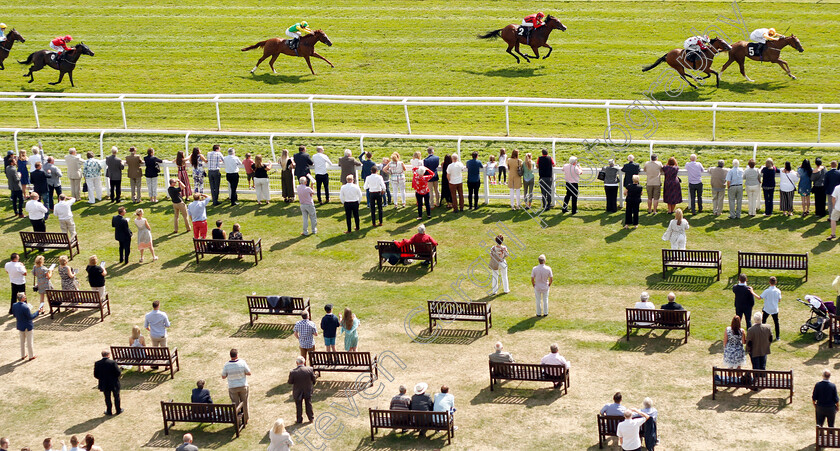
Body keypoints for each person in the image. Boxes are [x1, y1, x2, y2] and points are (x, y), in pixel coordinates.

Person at [221, 348, 251, 424]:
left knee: (235, 404)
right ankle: (245, 419)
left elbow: (223, 376)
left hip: (232, 387)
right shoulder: (242, 362)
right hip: (243, 386)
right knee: (244, 403)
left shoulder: (227, 365)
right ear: (237, 355)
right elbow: (249, 373)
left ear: (230, 355)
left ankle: (237, 419)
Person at [288, 355, 317, 424]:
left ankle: (299, 420)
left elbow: (290, 382)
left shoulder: (293, 372)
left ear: (296, 363)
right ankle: (311, 418)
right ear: (304, 362)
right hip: (307, 390)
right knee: (308, 404)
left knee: (298, 406)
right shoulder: (310, 369)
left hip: (297, 391)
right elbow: (314, 379)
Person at [12, 293, 42, 360]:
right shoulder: (25, 307)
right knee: (29, 342)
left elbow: (14, 314)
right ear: (22, 298)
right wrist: (37, 312)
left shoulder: (14, 305)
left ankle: (23, 355)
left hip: (20, 325)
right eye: (24, 296)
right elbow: (31, 317)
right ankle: (31, 356)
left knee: (22, 341)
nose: (25, 297)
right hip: (27, 326)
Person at [93, 349, 123, 415]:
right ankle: (118, 410)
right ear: (108, 355)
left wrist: (102, 378)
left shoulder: (97, 363)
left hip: (104, 383)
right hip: (114, 383)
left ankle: (109, 411)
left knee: (107, 397)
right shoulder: (113, 362)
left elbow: (96, 374)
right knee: (116, 396)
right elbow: (118, 372)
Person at [144, 300, 171, 371]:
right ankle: (166, 365)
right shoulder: (163, 314)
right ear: (158, 306)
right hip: (162, 335)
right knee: (164, 349)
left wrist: (151, 330)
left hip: (153, 335)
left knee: (155, 349)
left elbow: (146, 326)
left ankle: (155, 364)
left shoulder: (148, 315)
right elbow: (168, 325)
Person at [758, 276, 782, 340]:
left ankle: (762, 335)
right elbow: (779, 300)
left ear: (769, 282)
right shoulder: (778, 291)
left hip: (767, 309)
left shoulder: (767, 291)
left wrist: (752, 292)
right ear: (776, 282)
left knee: (763, 322)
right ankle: (777, 336)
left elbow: (759, 298)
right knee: (776, 323)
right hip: (774, 309)